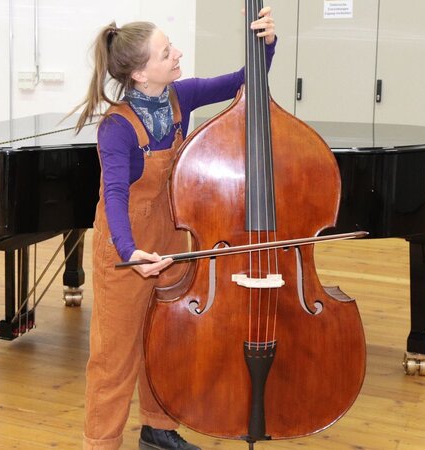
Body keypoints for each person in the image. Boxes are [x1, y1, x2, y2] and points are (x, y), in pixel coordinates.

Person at [72, 7, 277, 450]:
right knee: (114, 359)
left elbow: (244, 82)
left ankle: (158, 430)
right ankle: (100, 443)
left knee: (166, 342)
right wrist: (129, 254)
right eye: (168, 52)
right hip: (125, 250)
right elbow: (116, 197)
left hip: (172, 241)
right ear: (142, 74)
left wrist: (265, 43)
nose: (178, 53)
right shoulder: (116, 128)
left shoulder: (180, 96)